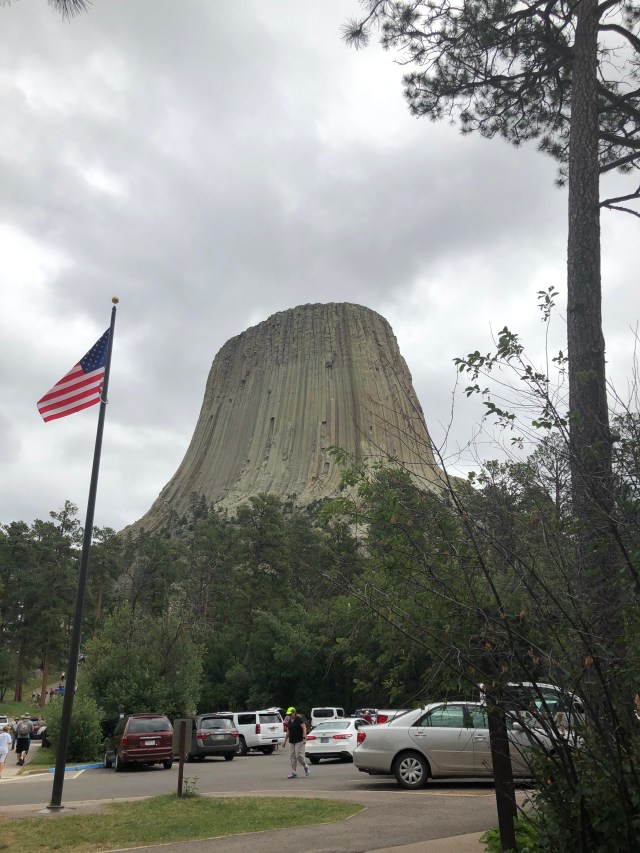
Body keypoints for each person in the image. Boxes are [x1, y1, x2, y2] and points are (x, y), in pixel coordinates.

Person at [283, 706, 310, 779]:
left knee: (298, 756)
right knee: (292, 757)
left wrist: (304, 738)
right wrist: (285, 741)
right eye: (288, 714)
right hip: (291, 741)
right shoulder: (289, 721)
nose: (289, 715)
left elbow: (304, 728)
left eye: (290, 714)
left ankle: (305, 766)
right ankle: (294, 772)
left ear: (294, 713)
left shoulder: (298, 719)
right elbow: (288, 731)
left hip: (299, 740)